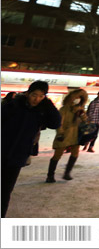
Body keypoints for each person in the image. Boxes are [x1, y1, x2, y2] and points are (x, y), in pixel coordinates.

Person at [2, 81, 61, 217]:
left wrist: (48, 104)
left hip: (17, 156)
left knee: (5, 192)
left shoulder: (41, 111)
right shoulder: (13, 106)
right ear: (28, 93)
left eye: (41, 96)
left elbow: (55, 123)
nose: (37, 99)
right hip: (2, 150)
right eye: (34, 95)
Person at [46, 89, 88, 183]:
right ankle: (50, 175)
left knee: (75, 154)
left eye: (79, 98)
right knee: (57, 155)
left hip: (76, 135)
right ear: (71, 98)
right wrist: (60, 133)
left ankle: (67, 173)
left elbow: (85, 121)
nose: (77, 100)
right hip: (65, 135)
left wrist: (82, 116)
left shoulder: (81, 109)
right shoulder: (64, 109)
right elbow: (59, 123)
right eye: (75, 98)